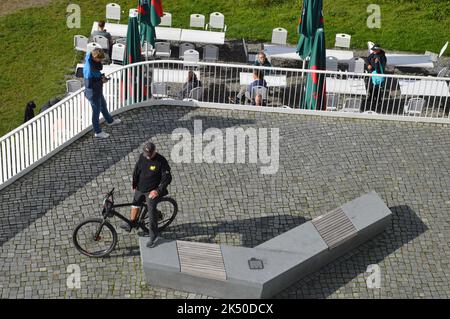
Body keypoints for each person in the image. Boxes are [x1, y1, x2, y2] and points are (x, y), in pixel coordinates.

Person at [121, 142, 172, 248]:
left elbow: (167, 178)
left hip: (152, 191)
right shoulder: (142, 156)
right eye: (146, 154)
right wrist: (134, 183)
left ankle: (153, 236)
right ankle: (131, 222)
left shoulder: (161, 161)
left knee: (151, 213)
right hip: (140, 187)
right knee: (135, 204)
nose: (147, 156)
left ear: (154, 151)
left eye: (149, 154)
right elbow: (137, 170)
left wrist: (157, 191)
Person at [83, 48, 121, 138]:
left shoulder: (93, 62)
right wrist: (101, 81)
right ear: (95, 58)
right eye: (99, 59)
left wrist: (100, 78)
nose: (100, 61)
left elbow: (97, 74)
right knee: (96, 113)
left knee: (103, 105)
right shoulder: (89, 68)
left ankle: (110, 121)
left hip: (97, 91)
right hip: (93, 93)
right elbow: (88, 85)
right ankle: (97, 131)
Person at [366, 43, 387, 111]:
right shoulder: (373, 54)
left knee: (377, 88)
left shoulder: (383, 57)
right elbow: (367, 59)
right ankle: (370, 97)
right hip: (372, 73)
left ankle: (378, 100)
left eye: (375, 50)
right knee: (371, 87)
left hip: (378, 75)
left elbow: (380, 69)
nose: (373, 51)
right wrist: (368, 64)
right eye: (373, 50)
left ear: (378, 50)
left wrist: (376, 63)